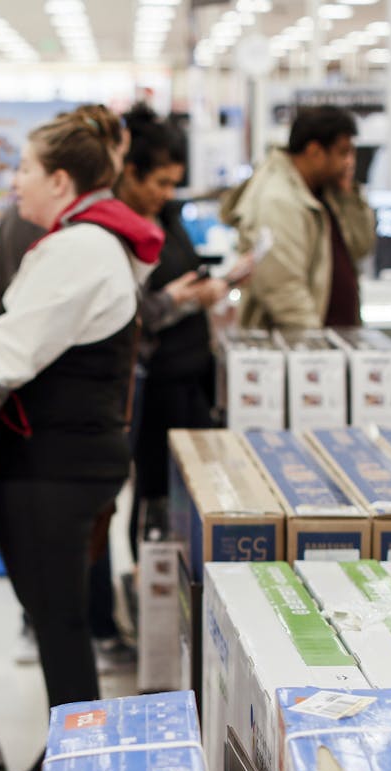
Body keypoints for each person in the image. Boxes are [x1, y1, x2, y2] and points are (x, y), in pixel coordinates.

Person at [0, 104, 164, 771]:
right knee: (60, 618)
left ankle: (79, 762)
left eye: (24, 170)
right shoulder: (98, 241)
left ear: (61, 181)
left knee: (60, 621)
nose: (15, 183)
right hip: (76, 457)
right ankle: (75, 753)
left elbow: (6, 353)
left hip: (55, 464)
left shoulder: (77, 249)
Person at [115, 104, 232, 544]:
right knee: (155, 493)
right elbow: (129, 311)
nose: (167, 192)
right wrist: (180, 300)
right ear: (130, 173)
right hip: (154, 382)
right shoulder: (116, 232)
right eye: (160, 182)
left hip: (192, 377)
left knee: (195, 489)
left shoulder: (167, 217)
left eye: (173, 183)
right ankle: (152, 586)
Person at [222, 106, 376, 330]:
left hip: (330, 341)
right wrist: (315, 347)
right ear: (315, 151)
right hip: (299, 350)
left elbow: (361, 246)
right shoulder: (278, 199)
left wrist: (349, 196)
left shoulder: (326, 191)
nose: (350, 161)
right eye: (343, 152)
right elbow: (283, 288)